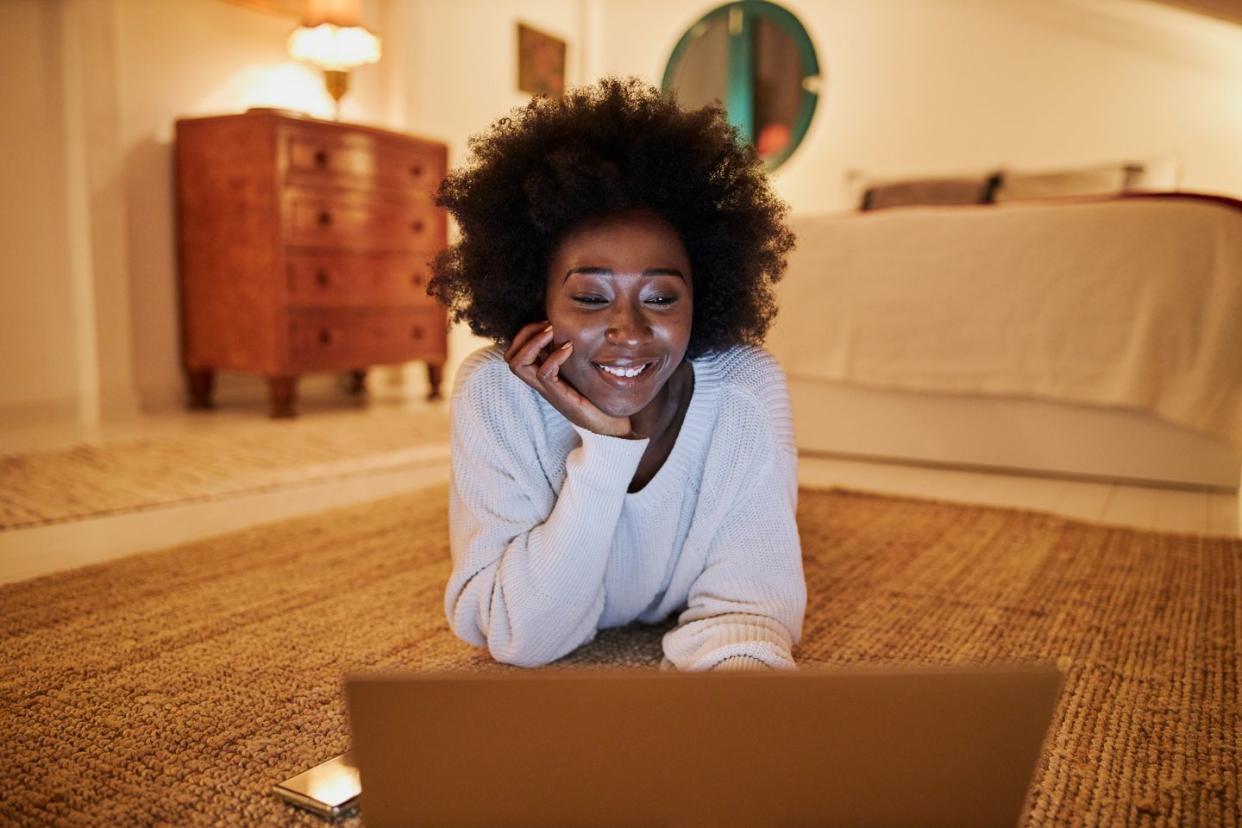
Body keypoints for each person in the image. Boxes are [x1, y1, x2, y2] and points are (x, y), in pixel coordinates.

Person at [428, 77, 805, 671]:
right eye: (590, 296)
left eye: (660, 298)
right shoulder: (496, 393)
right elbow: (520, 637)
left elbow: (751, 611)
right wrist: (606, 448)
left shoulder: (743, 391)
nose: (628, 329)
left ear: (701, 299)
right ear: (539, 297)